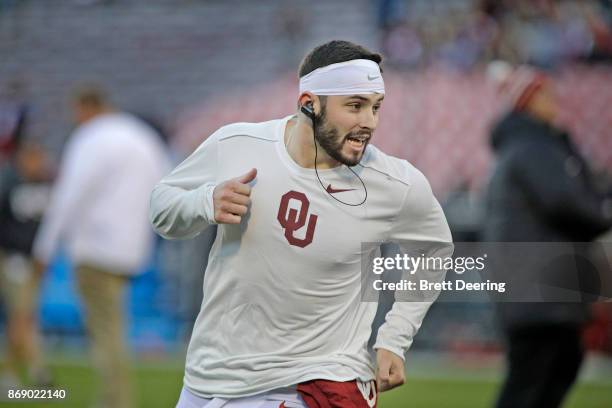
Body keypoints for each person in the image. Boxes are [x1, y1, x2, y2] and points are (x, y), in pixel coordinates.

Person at [150, 40, 453, 408]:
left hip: (312, 381)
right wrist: (204, 201)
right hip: (209, 373)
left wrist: (395, 337)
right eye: (354, 106)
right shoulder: (238, 144)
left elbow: (434, 251)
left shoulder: (395, 183)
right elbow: (161, 208)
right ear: (309, 103)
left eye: (376, 107)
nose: (369, 123)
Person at [484, 62, 612, 408]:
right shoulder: (534, 148)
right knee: (533, 383)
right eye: (545, 94)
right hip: (542, 293)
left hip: (536, 291)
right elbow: (569, 203)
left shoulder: (522, 149)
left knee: (550, 373)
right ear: (528, 101)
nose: (555, 101)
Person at [33, 87, 170, 408]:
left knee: (105, 330)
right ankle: (115, 397)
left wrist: (45, 247)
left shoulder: (91, 138)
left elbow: (70, 194)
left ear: (85, 107)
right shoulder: (142, 136)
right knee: (113, 324)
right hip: (132, 249)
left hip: (95, 247)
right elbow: (166, 186)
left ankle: (115, 400)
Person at [0, 142, 53, 391]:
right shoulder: (9, 184)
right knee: (21, 315)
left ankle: (28, 369)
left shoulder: (45, 186)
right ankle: (31, 369)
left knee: (25, 316)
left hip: (34, 260)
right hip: (13, 258)